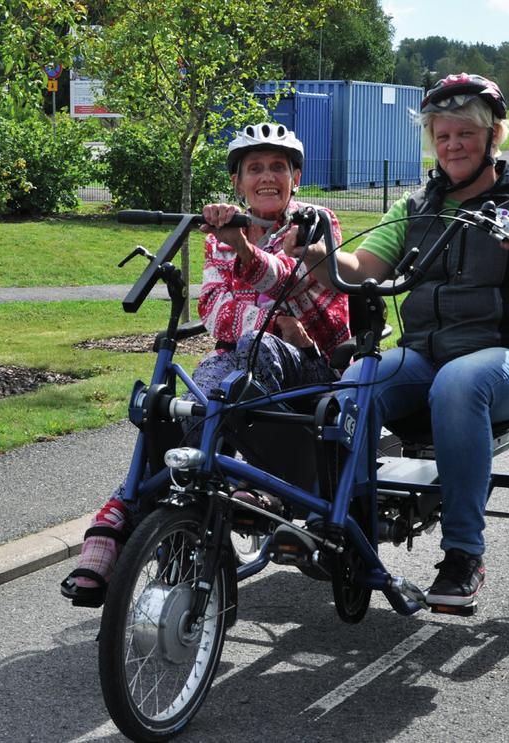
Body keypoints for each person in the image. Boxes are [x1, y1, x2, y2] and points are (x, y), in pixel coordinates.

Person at [290, 73, 509, 608]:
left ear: (493, 136)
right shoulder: (417, 207)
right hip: (427, 357)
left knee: (459, 384)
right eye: (442, 136)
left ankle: (464, 552)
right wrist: (315, 250)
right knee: (354, 384)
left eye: (465, 133)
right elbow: (361, 268)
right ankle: (350, 527)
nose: (452, 145)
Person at [61, 123, 350, 607]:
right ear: (237, 181)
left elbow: (289, 281)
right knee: (176, 401)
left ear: (296, 177)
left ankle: (129, 512)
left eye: (278, 167)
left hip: (313, 367)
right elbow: (214, 311)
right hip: (243, 365)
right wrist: (269, 320)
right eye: (254, 168)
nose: (266, 177)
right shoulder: (223, 232)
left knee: (251, 355)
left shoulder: (317, 222)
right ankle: (139, 501)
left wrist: (244, 255)